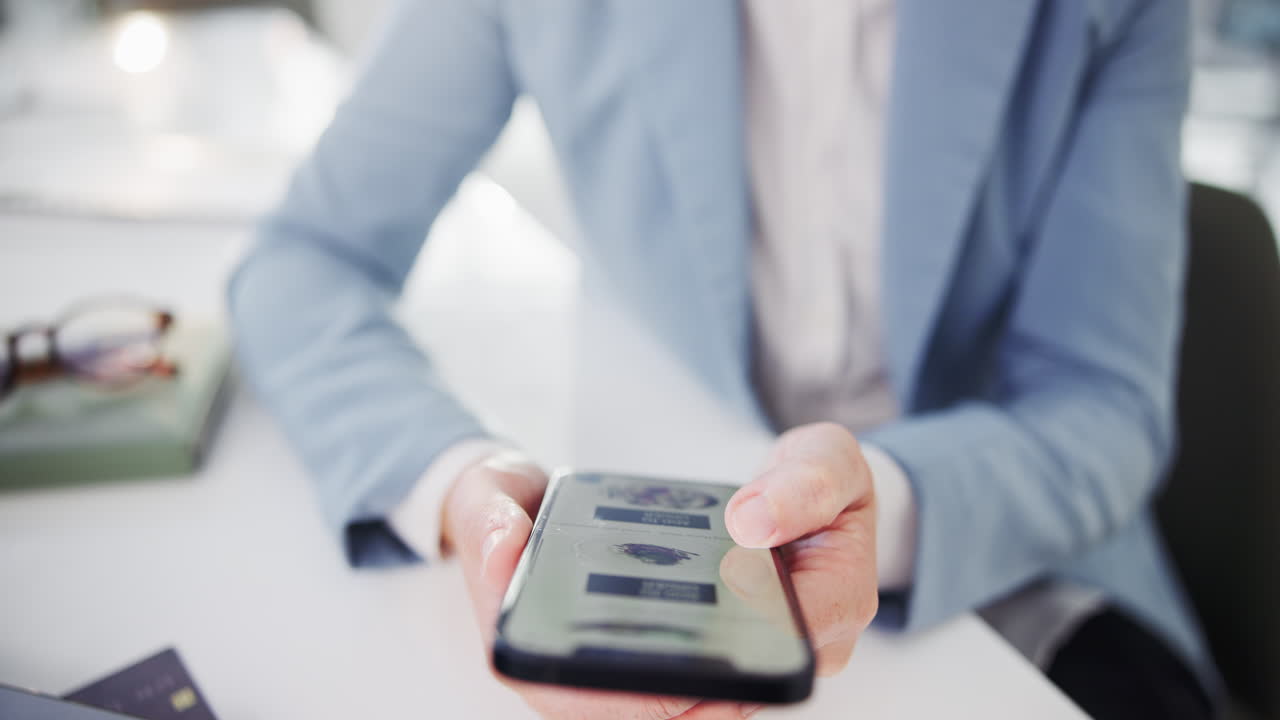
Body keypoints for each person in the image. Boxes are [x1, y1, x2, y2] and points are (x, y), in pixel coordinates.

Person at [228, 1, 1217, 718]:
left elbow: (1099, 405)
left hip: (1018, 574)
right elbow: (306, 261)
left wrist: (886, 501)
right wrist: (454, 482)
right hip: (662, 539)